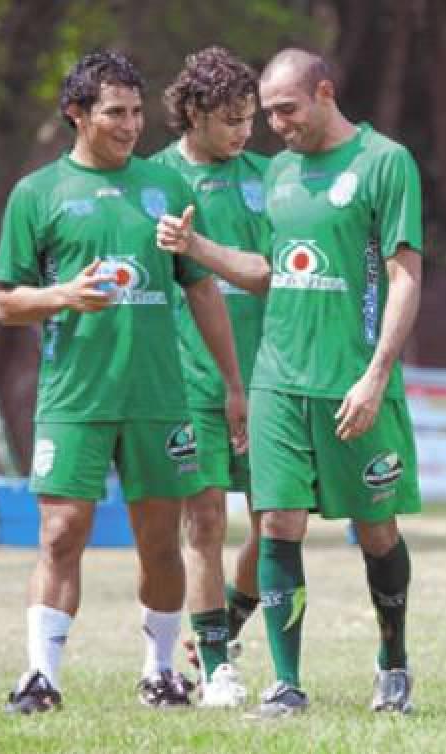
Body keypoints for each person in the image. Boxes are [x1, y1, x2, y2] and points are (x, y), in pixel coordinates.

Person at [156, 48, 423, 718]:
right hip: (278, 377)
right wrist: (198, 249)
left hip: (354, 379)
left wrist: (376, 374)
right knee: (275, 521)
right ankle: (286, 684)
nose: (273, 125)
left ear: (325, 93)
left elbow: (405, 276)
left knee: (376, 531)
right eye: (266, 112)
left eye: (284, 110)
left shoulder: (384, 162)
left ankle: (393, 661)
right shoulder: (278, 172)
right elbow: (270, 270)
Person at [0, 51, 247, 713]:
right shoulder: (38, 194)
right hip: (75, 396)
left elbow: (204, 293)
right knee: (60, 532)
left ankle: (160, 672)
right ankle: (41, 676)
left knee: (160, 540)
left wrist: (232, 382)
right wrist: (63, 296)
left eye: (136, 111)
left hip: (160, 399)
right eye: (115, 112)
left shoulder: (168, 189)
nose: (131, 124)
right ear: (77, 114)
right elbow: (4, 302)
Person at [151, 46, 269, 708]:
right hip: (190, 378)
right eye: (231, 119)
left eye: (249, 117)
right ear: (193, 112)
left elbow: (273, 266)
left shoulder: (267, 176)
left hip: (271, 374)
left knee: (277, 520)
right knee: (202, 521)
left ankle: (226, 618)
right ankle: (218, 668)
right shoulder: (155, 180)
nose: (243, 131)